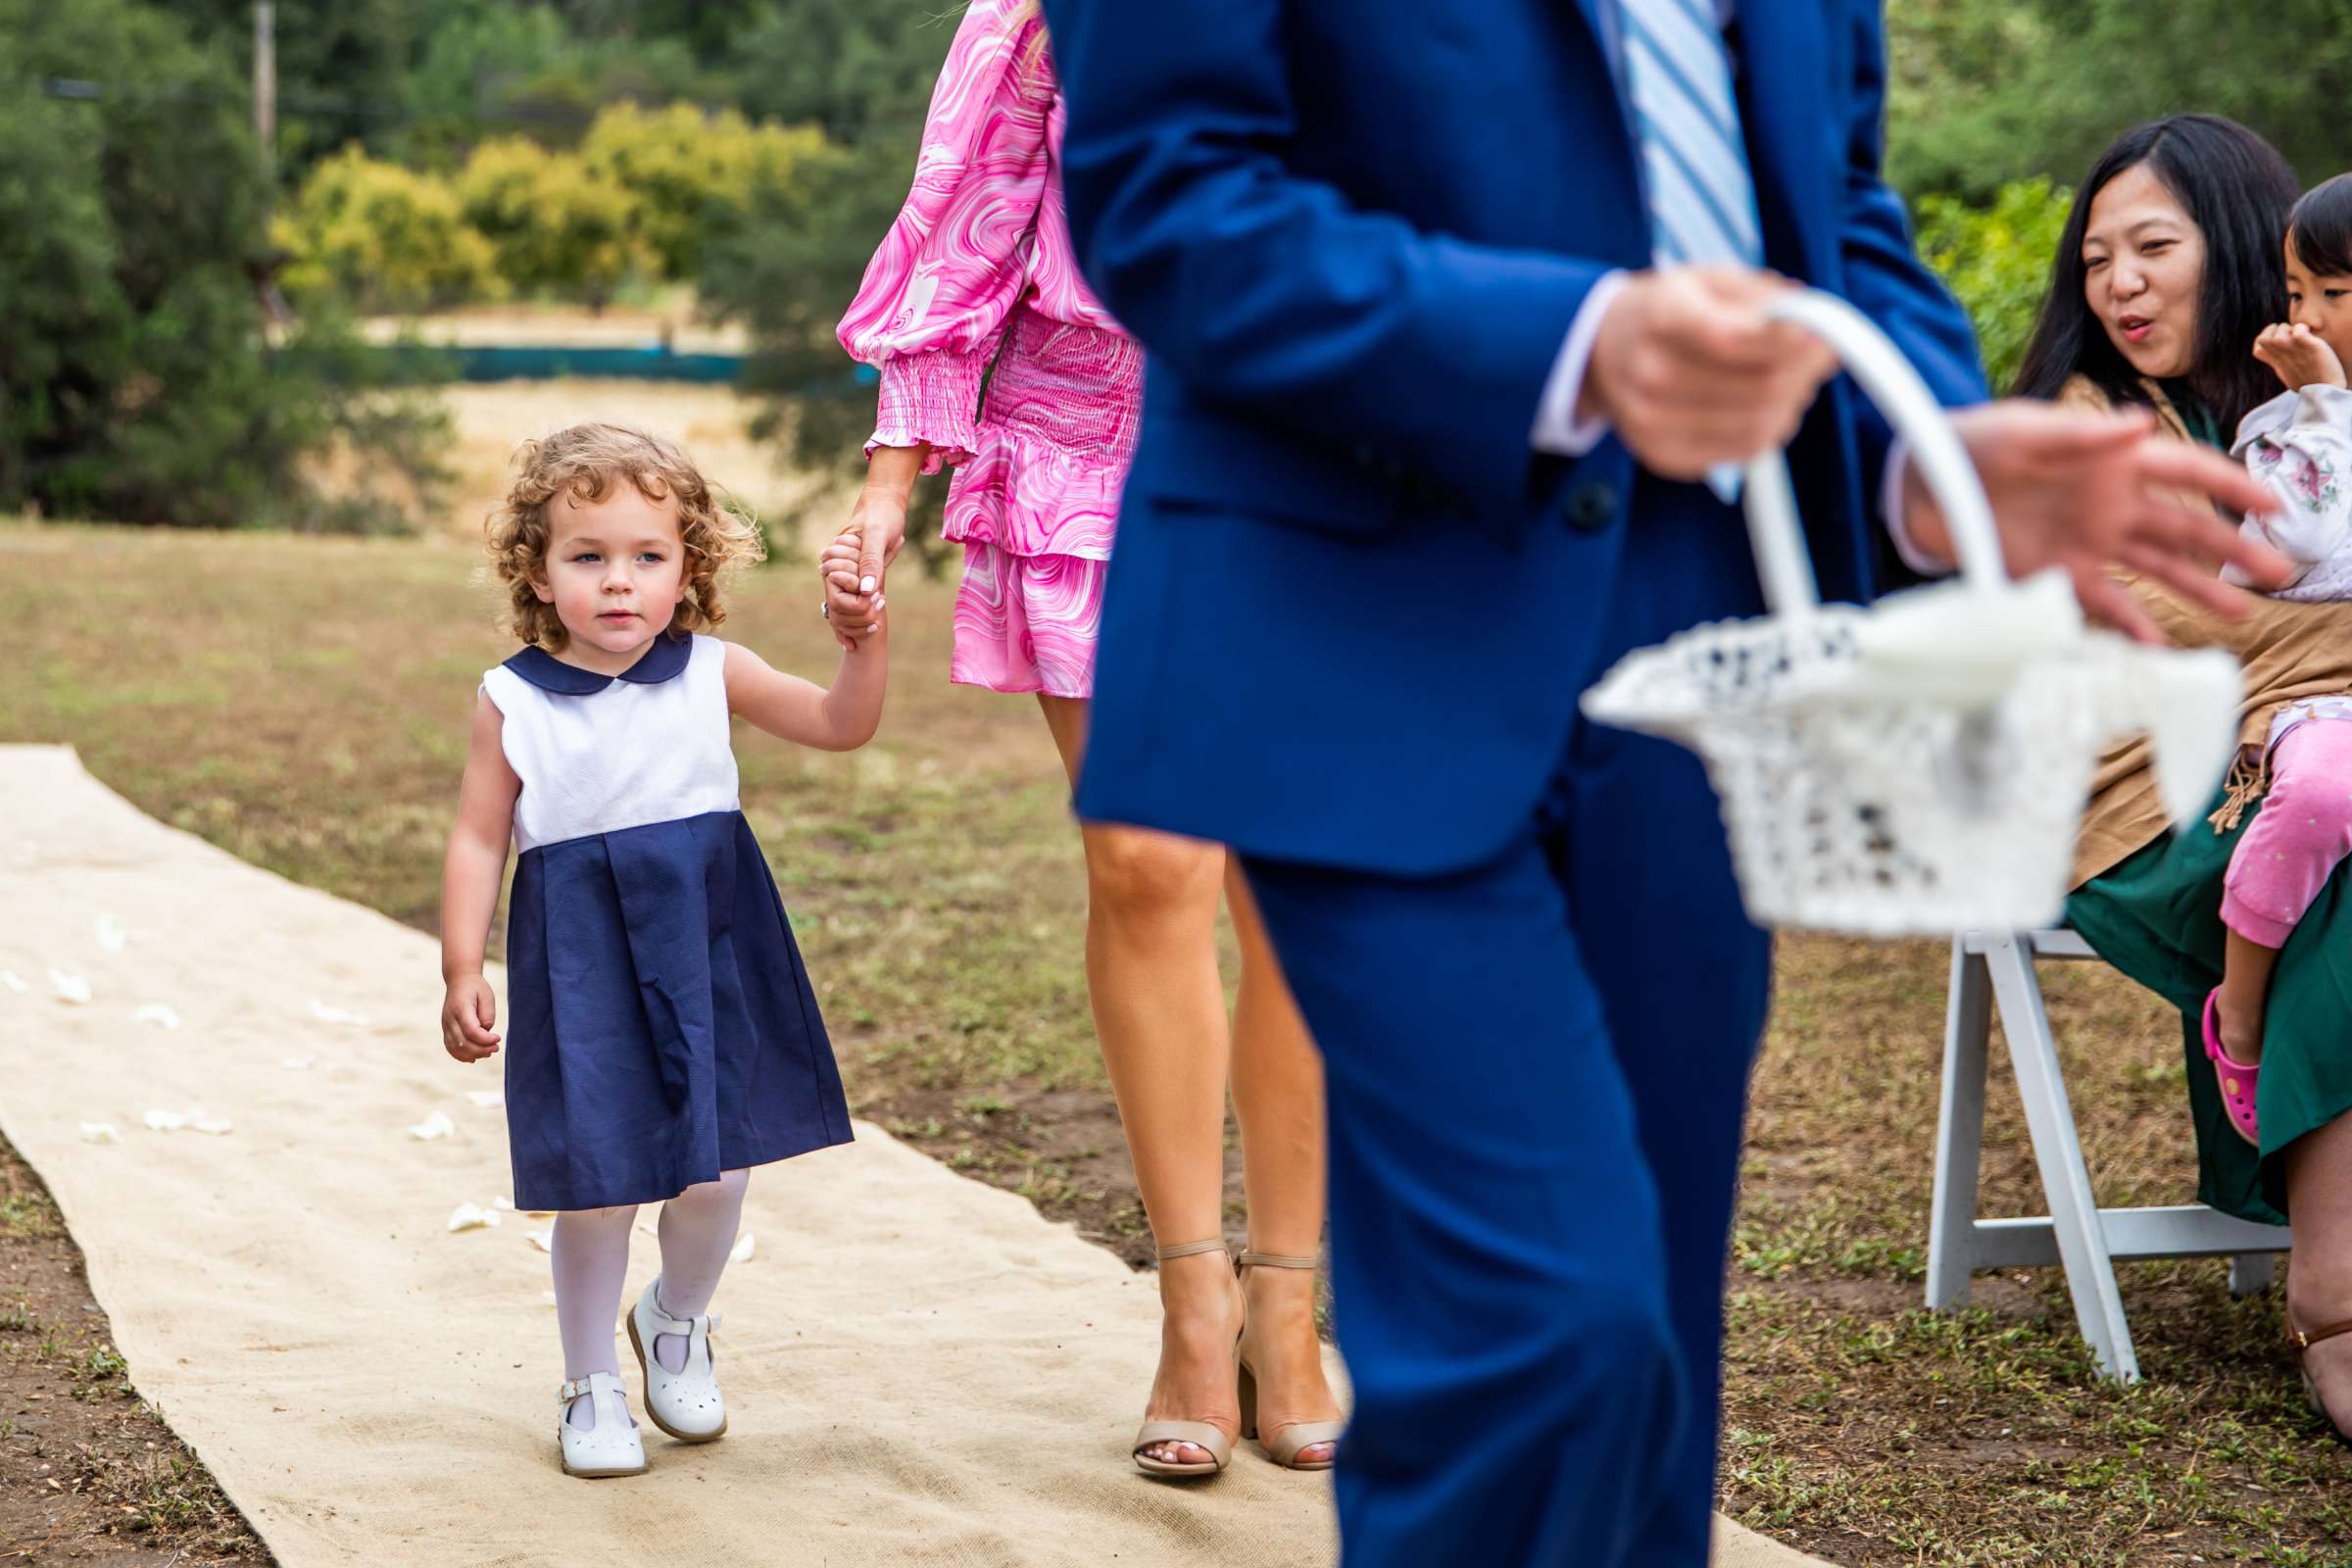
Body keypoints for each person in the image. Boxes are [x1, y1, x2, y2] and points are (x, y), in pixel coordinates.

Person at [1035, 2, 2288, 1560]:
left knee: (1659, 1373)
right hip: (1359, 649)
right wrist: (1571, 344)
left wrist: (1940, 461)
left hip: (1705, 670)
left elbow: (1830, 211)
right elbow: (1171, 196)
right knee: (1550, 1336)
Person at [828, 0, 1342, 1479]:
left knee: (1300, 893)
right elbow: (965, 230)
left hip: (1315, 461)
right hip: (1090, 462)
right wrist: (887, 484)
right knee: (1149, 867)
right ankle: (1193, 1302)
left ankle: (1286, 1307)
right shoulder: (1043, 18)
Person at [437, 424, 873, 1480]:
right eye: (588, 558)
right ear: (539, 573)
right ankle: (588, 1383)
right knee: (598, 1183)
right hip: (578, 959)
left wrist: (863, 644)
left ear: (690, 567)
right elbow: (477, 834)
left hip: (708, 944)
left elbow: (838, 723)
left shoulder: (715, 674)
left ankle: (675, 1316)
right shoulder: (514, 701)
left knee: (717, 1173)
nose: (619, 583)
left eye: (648, 557)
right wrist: (462, 964)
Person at [2021, 122, 2352, 1446]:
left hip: (2286, 762)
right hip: (2125, 800)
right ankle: (2334, 1296)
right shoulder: (2083, 425)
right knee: (2337, 869)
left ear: (2240, 248)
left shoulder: (2301, 407)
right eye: (2098, 258)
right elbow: (2195, 628)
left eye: (2153, 246)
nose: (2121, 283)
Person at [2199, 172, 2352, 1145]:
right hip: (2312, 696)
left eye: (2333, 293)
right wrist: (2329, 409)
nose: (2306, 317)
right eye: (2297, 294)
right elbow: (2294, 542)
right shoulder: (2283, 431)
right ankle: (2243, 1010)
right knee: (2326, 796)